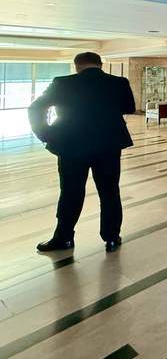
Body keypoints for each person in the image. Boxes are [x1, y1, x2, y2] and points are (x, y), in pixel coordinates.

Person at [28, 52, 136, 253]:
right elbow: (129, 107)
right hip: (108, 145)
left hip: (71, 145)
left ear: (77, 66)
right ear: (100, 65)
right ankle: (112, 237)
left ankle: (64, 237)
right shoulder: (119, 82)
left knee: (71, 192)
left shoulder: (62, 83)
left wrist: (46, 134)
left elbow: (35, 108)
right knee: (110, 191)